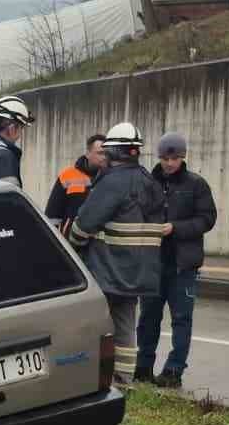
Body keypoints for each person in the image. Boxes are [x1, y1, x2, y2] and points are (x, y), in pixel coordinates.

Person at [68, 122, 166, 385]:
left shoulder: (111, 183)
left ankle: (91, 378)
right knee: (125, 325)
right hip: (137, 273)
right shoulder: (150, 181)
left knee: (93, 324)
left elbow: (85, 223)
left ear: (114, 153)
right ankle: (123, 378)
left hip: (107, 269)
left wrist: (72, 245)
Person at [136, 132, 217, 388]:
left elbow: (207, 219)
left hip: (183, 266)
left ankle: (173, 370)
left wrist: (176, 228)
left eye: (174, 158)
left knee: (181, 319)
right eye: (164, 158)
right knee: (148, 317)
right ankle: (143, 366)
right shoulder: (148, 183)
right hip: (152, 263)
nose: (169, 163)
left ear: (183, 157)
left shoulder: (197, 185)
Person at [45, 134, 107, 235]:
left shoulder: (111, 178)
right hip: (71, 243)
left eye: (106, 153)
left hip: (100, 244)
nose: (104, 157)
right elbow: (53, 214)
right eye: (100, 153)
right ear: (88, 154)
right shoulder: (67, 176)